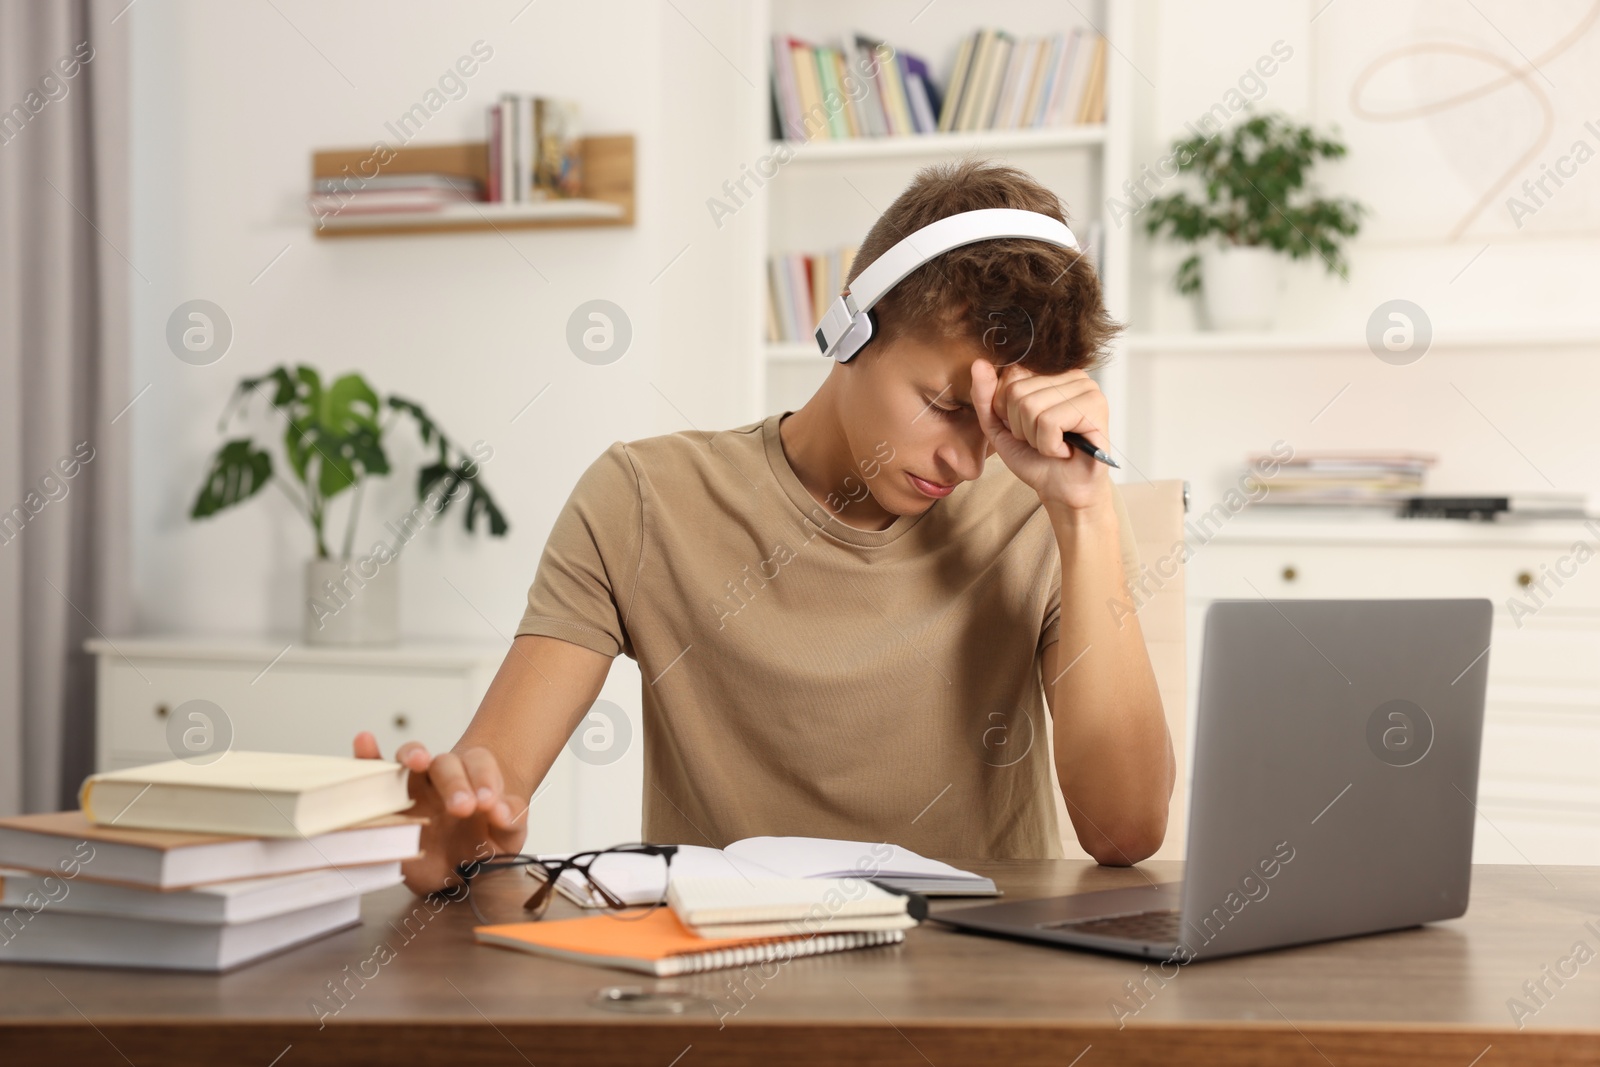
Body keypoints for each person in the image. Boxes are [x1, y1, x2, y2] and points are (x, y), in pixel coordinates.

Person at [354, 159, 1175, 896]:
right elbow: (492, 783)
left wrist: (1085, 511)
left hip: (979, 992)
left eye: (994, 424)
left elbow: (1124, 832)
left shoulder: (1051, 515)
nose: (967, 460)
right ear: (851, 329)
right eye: (945, 405)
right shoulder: (643, 500)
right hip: (720, 985)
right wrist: (458, 833)